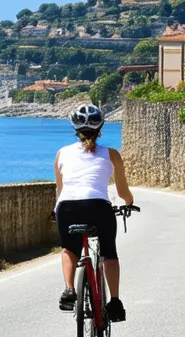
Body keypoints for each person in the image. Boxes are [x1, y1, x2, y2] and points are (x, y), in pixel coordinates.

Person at [54, 103, 135, 321]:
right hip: (98, 207)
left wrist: (57, 211)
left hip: (67, 207)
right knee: (108, 250)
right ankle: (115, 302)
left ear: (75, 129)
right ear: (100, 129)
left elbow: (60, 189)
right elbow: (122, 190)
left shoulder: (61, 153)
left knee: (69, 249)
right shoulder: (111, 154)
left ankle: (69, 289)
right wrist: (129, 202)